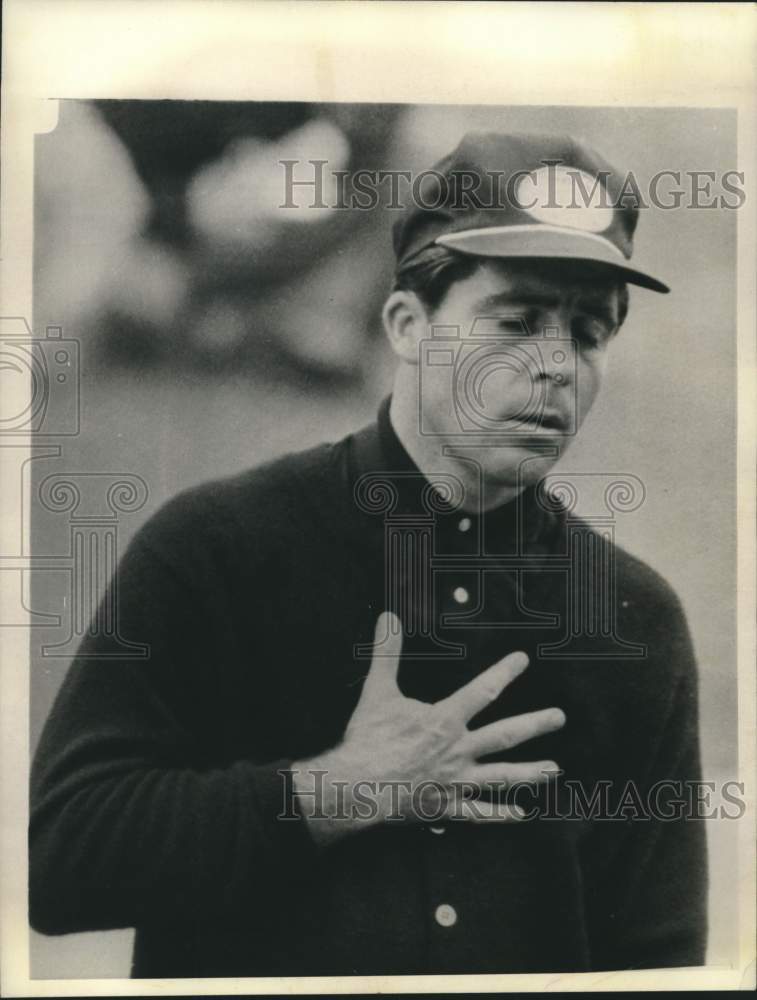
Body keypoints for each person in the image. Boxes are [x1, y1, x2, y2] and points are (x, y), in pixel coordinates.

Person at [29, 131, 707, 977]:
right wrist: (332, 793)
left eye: (588, 333)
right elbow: (59, 862)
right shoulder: (215, 549)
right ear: (406, 325)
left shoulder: (632, 620)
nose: (556, 365)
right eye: (518, 319)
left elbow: (658, 960)